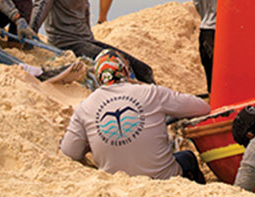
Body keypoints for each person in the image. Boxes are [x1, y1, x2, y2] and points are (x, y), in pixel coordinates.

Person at [60, 48, 210, 183]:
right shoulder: (151, 93)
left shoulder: (85, 107)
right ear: (126, 70)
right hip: (164, 178)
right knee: (188, 157)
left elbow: (68, 152)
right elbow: (201, 107)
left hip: (116, 184)